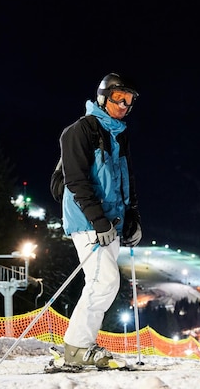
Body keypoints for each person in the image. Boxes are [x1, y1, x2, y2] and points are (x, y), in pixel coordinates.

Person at [58, 72, 143, 368]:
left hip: (111, 222)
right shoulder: (80, 131)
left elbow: (125, 179)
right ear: (103, 97)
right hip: (87, 220)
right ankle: (77, 347)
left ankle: (80, 344)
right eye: (119, 98)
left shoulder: (119, 134)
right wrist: (98, 220)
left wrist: (131, 216)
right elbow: (76, 181)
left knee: (103, 283)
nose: (124, 105)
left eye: (129, 101)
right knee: (103, 280)